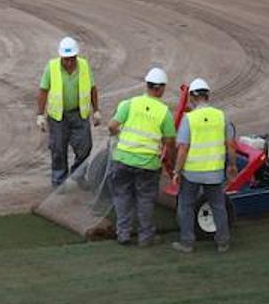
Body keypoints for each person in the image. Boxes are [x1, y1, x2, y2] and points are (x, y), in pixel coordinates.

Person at [107, 67, 175, 246]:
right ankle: (145, 237)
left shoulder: (129, 104)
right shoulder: (164, 112)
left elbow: (112, 126)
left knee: (122, 196)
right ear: (161, 88)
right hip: (148, 164)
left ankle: (123, 233)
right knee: (145, 199)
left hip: (122, 159)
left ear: (147, 85)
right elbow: (170, 141)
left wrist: (121, 136)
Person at [171, 78, 238, 254]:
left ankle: (187, 243)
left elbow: (183, 149)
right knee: (218, 206)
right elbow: (231, 145)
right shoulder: (222, 117)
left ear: (192, 96)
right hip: (215, 173)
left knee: (185, 206)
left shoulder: (189, 119)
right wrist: (231, 165)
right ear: (207, 95)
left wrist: (176, 171)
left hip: (192, 173)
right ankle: (222, 242)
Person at [35, 36, 101, 187]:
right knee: (58, 149)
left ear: (76, 56)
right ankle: (59, 181)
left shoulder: (84, 66)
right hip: (58, 117)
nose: (69, 62)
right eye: (66, 59)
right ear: (61, 57)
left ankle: (78, 174)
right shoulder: (51, 67)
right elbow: (43, 91)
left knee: (85, 147)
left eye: (72, 59)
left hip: (79, 114)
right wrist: (40, 114)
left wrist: (96, 110)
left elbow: (92, 89)